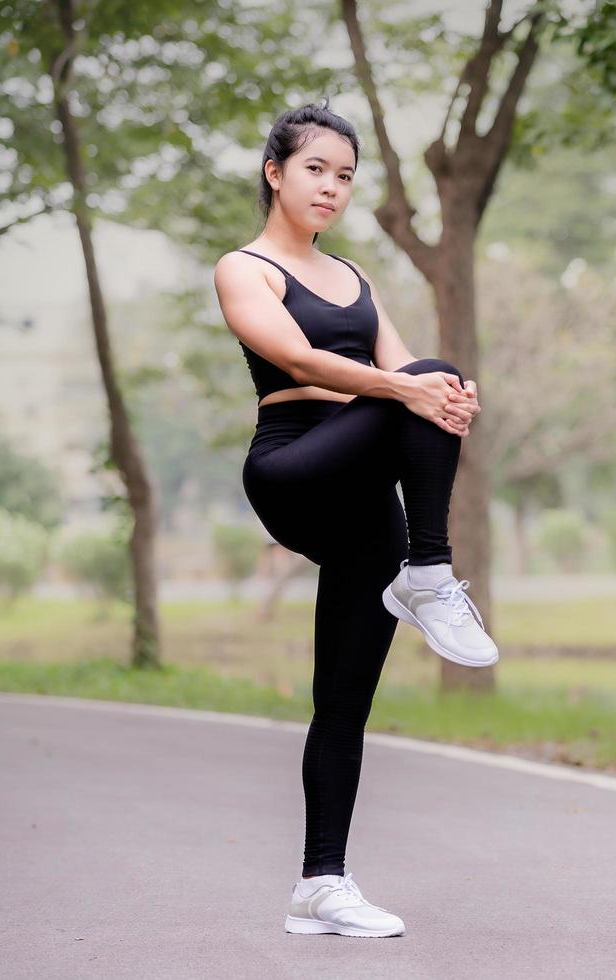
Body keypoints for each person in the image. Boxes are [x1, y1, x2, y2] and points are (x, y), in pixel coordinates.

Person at [212, 99, 498, 939]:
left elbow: (404, 368)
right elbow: (298, 359)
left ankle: (320, 886)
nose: (330, 187)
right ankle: (431, 576)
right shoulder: (246, 267)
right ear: (275, 172)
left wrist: (442, 396)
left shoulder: (356, 278)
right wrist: (414, 386)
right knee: (426, 379)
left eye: (344, 175)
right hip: (295, 464)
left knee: (343, 704)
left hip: (365, 492)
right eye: (314, 169)